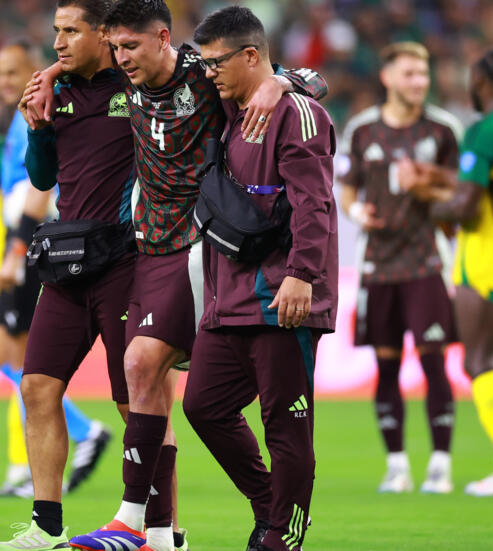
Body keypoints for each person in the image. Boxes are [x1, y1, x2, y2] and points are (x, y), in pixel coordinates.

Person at [26, 2, 326, 550]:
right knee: (181, 396)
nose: (121, 59)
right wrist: (48, 75)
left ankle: (132, 521)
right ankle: (170, 531)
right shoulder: (120, 76)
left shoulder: (203, 75)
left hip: (198, 245)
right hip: (150, 248)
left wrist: (281, 83)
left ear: (164, 39)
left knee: (142, 365)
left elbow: (303, 81)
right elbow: (80, 66)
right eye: (115, 49)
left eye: (131, 48)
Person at [0, 1, 140, 548]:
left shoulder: (138, 83)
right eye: (56, 31)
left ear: (102, 33)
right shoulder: (58, 95)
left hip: (126, 261)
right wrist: (39, 128)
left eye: (71, 31)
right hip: (68, 263)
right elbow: (43, 177)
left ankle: (159, 528)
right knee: (37, 386)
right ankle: (45, 527)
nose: (59, 43)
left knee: (135, 402)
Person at [182, 8, 337, 551]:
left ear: (251, 56)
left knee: (285, 427)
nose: (207, 73)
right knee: (203, 406)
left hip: (282, 296)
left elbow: (313, 202)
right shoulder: (228, 105)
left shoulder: (295, 114)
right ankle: (274, 506)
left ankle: (283, 537)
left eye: (216, 62)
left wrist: (302, 275)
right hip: (228, 299)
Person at [0, 40, 111, 498]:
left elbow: (39, 189)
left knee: (7, 354)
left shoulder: (32, 117)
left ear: (32, 72)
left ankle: (84, 432)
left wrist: (16, 247)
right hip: (28, 245)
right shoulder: (14, 123)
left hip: (32, 244)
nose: (4, 81)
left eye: (12, 72)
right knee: (18, 360)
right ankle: (35, 468)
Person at [399, 48, 493, 497]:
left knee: (478, 362)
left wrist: (423, 201)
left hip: (485, 259)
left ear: (480, 81)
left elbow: (467, 205)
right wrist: (442, 175)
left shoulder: (483, 128)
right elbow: (491, 180)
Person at [338, 41, 462, 494]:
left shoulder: (443, 130)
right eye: (410, 74)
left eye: (424, 74)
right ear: (387, 77)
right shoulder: (362, 130)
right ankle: (396, 465)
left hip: (427, 262)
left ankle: (441, 465)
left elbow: (461, 196)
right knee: (386, 368)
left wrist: (425, 186)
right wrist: (356, 215)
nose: (419, 82)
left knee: (433, 364)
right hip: (378, 265)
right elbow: (348, 189)